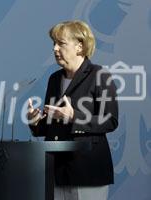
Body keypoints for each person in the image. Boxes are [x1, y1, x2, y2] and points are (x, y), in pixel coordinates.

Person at [27, 20, 118, 200]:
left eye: (61, 43)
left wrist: (74, 116)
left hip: (87, 171)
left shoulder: (99, 75)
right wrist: (36, 121)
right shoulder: (54, 79)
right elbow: (49, 126)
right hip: (56, 170)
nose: (55, 49)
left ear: (79, 46)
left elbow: (110, 120)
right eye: (54, 43)